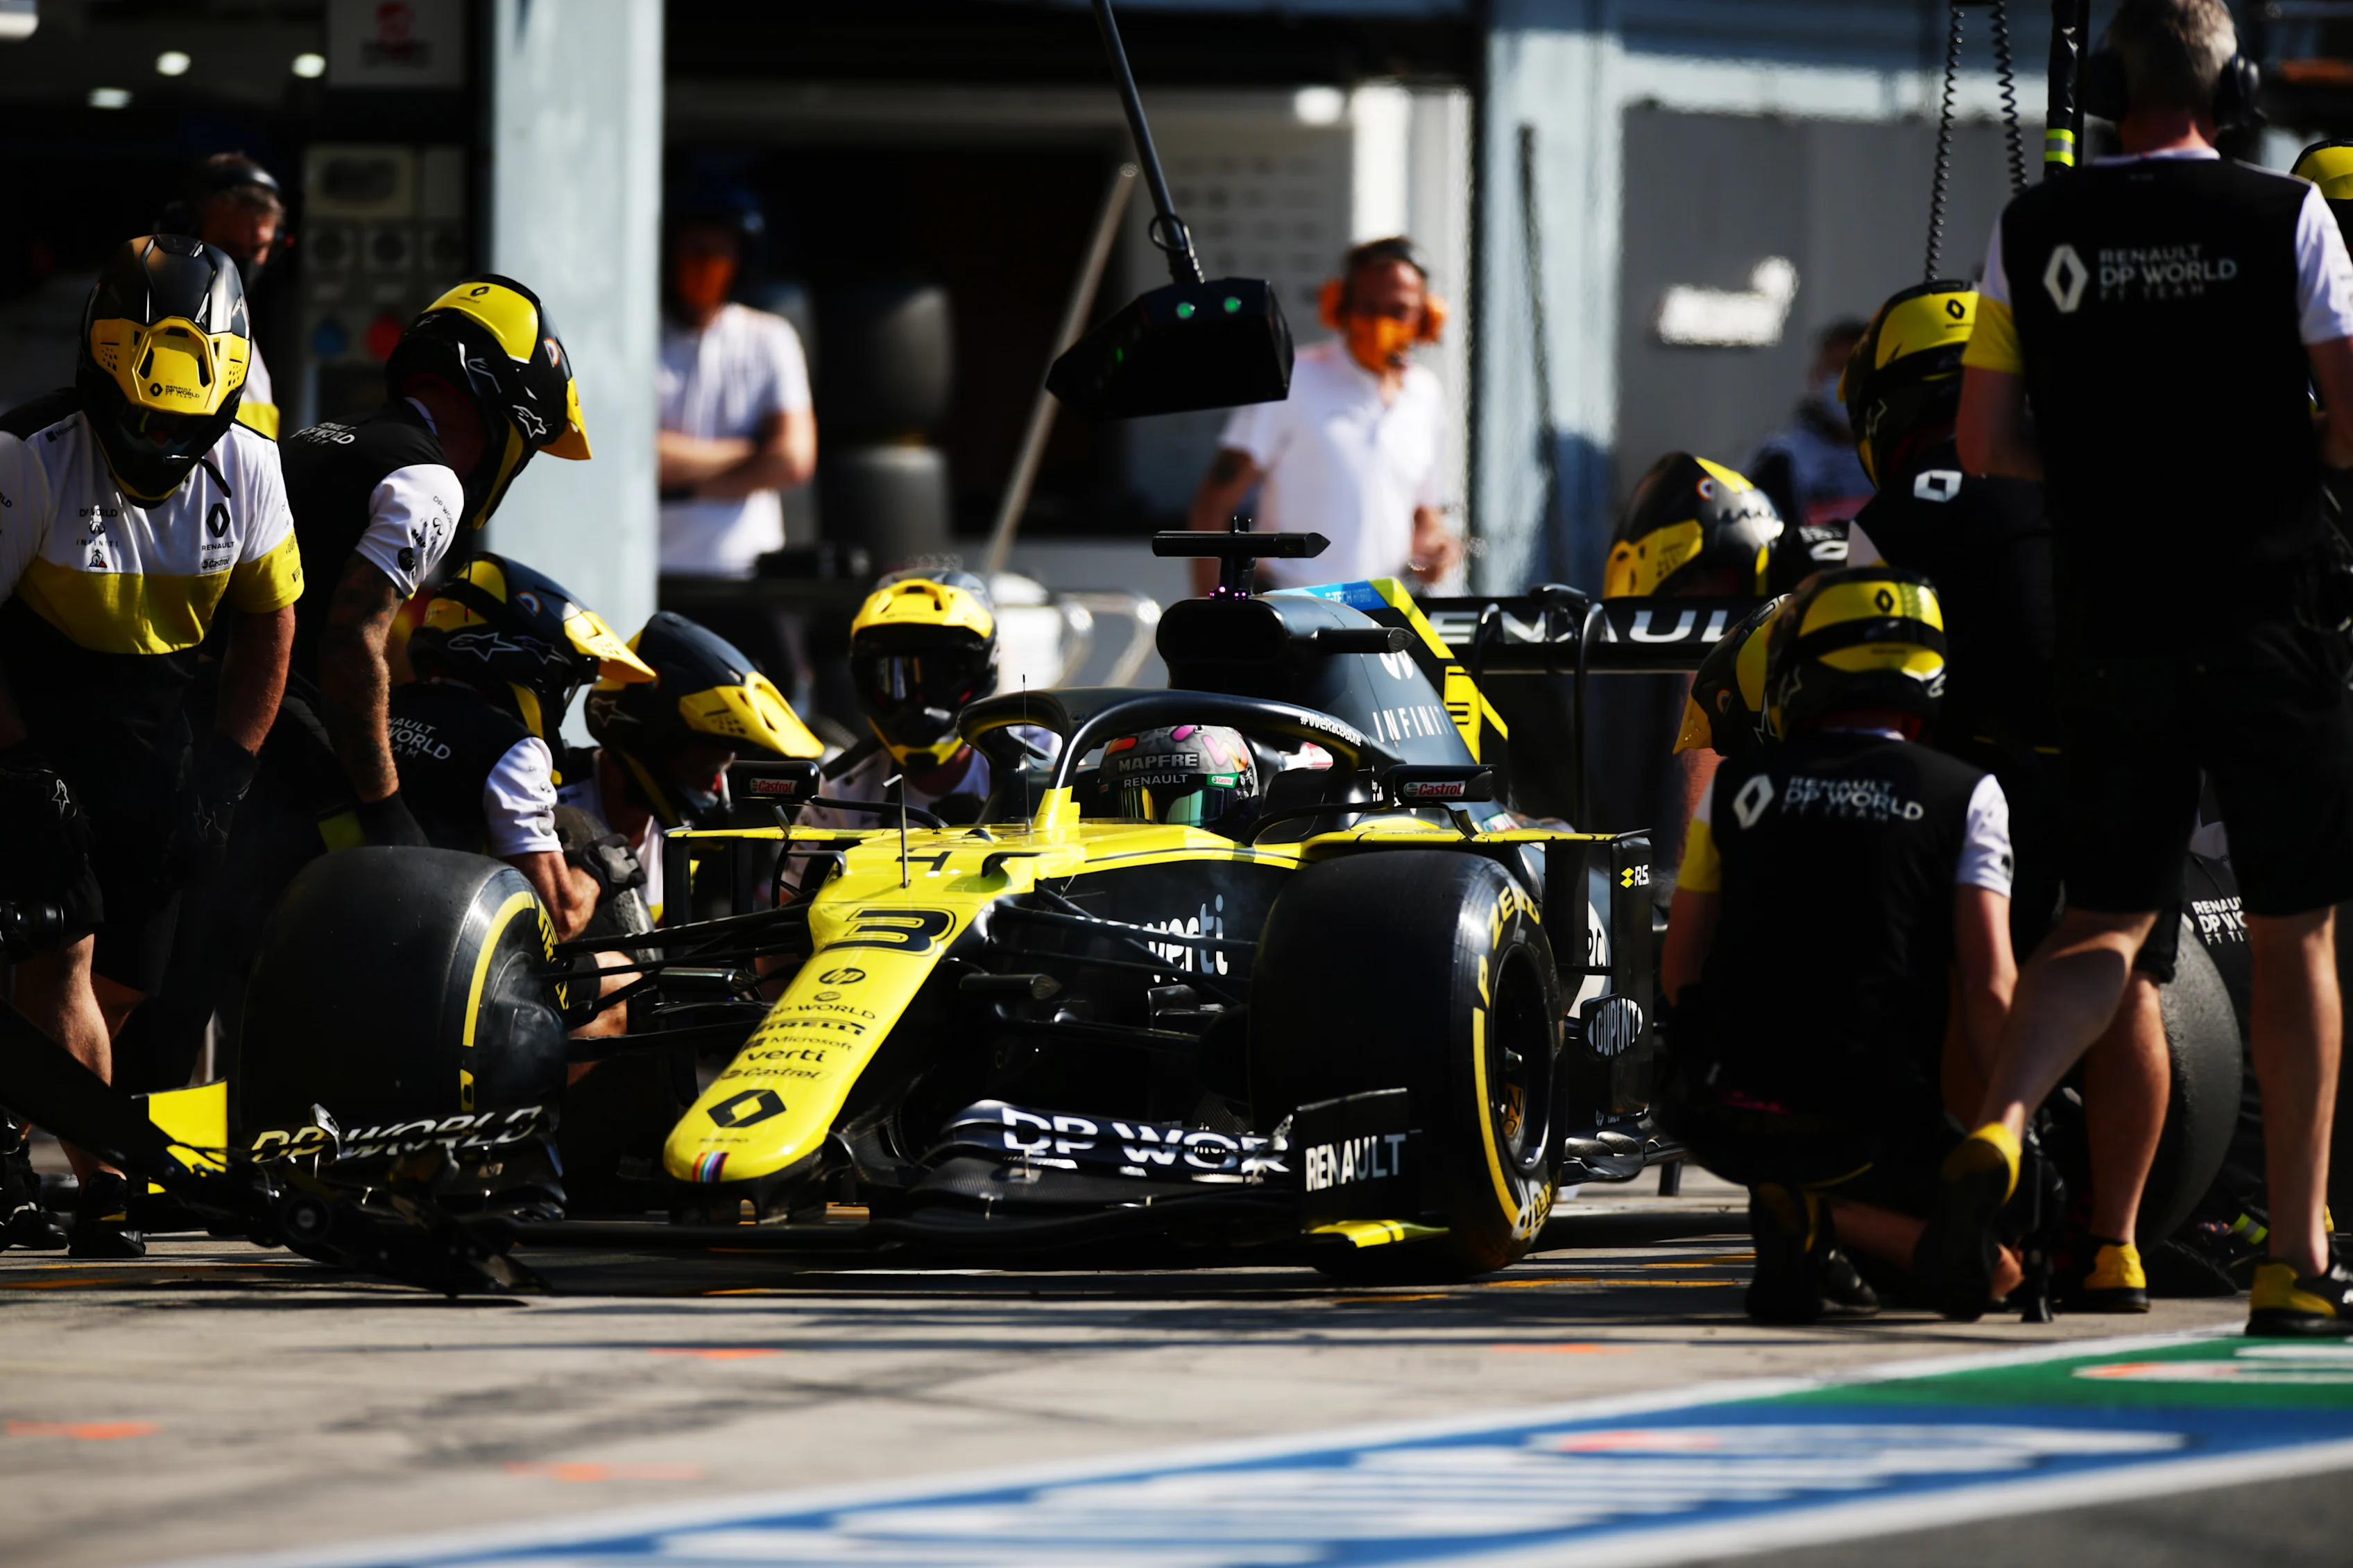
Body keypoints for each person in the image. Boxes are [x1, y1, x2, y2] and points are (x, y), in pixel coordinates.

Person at [1934, 0, 2353, 1335]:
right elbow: (2351, 423)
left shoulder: (2030, 227)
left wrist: (2115, 478)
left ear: (2110, 81)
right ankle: (2294, 1254)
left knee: (2098, 919)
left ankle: (1997, 1127)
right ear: (2228, 85)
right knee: (2293, 934)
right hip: (2267, 617)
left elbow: (1985, 442)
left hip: (2110, 620)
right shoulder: (2286, 215)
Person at [1842, 279, 2164, 1311]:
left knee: (1968, 986)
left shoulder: (1895, 509)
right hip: (2119, 749)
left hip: (1974, 774)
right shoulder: (2110, 464)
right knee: (2130, 988)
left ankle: (1981, 1218)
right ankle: (2115, 1244)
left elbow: (1855, 672)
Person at [0, 236, 299, 1256]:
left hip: (163, 725)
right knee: (66, 956)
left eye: (184, 425)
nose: (160, 446)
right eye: (139, 421)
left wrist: (230, 769)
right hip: (34, 716)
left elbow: (271, 623)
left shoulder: (253, 466)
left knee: (129, 976)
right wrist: (22, 763)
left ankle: (9, 1129)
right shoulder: (23, 460)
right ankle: (108, 1190)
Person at [1659, 566, 2019, 1323]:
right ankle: (1829, 1217)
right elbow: (1991, 989)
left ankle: (1790, 1205)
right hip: (1881, 1111)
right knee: (1995, 1270)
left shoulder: (1735, 785)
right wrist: (2015, 1131)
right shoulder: (1968, 791)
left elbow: (1678, 967)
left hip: (1725, 1110)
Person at [278, 274, 593, 847]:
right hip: (275, 741)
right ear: (512, 419)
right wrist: (386, 810)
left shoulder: (314, 438)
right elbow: (351, 639)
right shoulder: (429, 482)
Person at [389, 554, 656, 938]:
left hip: (336, 925)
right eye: (562, 682)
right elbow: (556, 919)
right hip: (432, 947)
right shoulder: (511, 749)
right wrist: (601, 868)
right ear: (532, 665)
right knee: (619, 977)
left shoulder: (383, 707)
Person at [1186, 237, 1460, 596]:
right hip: (1292, 609)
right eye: (1368, 308)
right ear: (1340, 307)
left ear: (1426, 317)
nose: (1381, 323)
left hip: (1384, 611)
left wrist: (1438, 548)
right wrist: (1213, 615)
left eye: (1398, 311)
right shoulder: (1293, 380)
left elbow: (1426, 514)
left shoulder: (1426, 394)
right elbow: (1212, 507)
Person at [572, 611, 823, 922]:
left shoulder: (678, 837)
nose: (715, 786)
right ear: (649, 742)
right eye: (704, 766)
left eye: (722, 768)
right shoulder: (552, 800)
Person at [658, 188, 816, 585]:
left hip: (747, 570)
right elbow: (636, 459)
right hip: (651, 567)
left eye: (721, 254)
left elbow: (792, 459)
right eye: (695, 252)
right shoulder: (636, 337)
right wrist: (749, 453)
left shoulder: (770, 337)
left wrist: (683, 482)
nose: (707, 266)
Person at [800, 571, 1007, 829]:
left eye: (941, 679)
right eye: (897, 680)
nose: (920, 704)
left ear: (982, 673)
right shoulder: (836, 794)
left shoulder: (1047, 764)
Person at [159, 153, 286, 439]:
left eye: (257, 250)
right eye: (228, 245)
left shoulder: (244, 340)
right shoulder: (154, 335)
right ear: (185, 234)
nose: (243, 264)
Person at [1745, 318, 1874, 546]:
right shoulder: (1782, 459)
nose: (1845, 384)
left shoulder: (1909, 455)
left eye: (1856, 371)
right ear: (1815, 375)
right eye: (1837, 372)